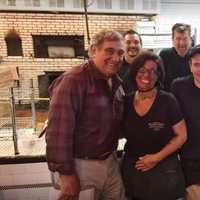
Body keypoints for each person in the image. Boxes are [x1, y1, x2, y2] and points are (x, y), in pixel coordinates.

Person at [45, 30, 127, 200]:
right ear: (93, 50)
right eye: (109, 51)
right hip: (81, 166)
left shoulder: (116, 82)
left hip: (110, 162)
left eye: (120, 53)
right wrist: (66, 174)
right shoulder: (73, 81)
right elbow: (58, 132)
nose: (116, 58)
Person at [121, 51, 187, 200]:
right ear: (135, 72)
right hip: (133, 170)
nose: (147, 75)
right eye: (142, 70)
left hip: (164, 170)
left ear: (158, 75)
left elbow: (182, 135)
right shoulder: (126, 101)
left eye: (153, 71)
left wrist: (156, 158)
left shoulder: (168, 100)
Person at [171, 44, 200, 200]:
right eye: (197, 65)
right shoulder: (179, 86)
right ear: (190, 66)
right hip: (190, 159)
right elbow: (173, 121)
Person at [159, 23, 192, 90]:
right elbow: (159, 81)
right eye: (178, 38)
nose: (182, 43)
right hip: (170, 97)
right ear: (173, 40)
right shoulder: (164, 55)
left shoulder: (196, 56)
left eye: (185, 38)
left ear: (190, 40)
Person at [118, 29, 143, 94]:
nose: (132, 45)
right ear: (122, 46)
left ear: (141, 45)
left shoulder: (150, 67)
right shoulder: (115, 68)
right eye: (128, 42)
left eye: (136, 42)